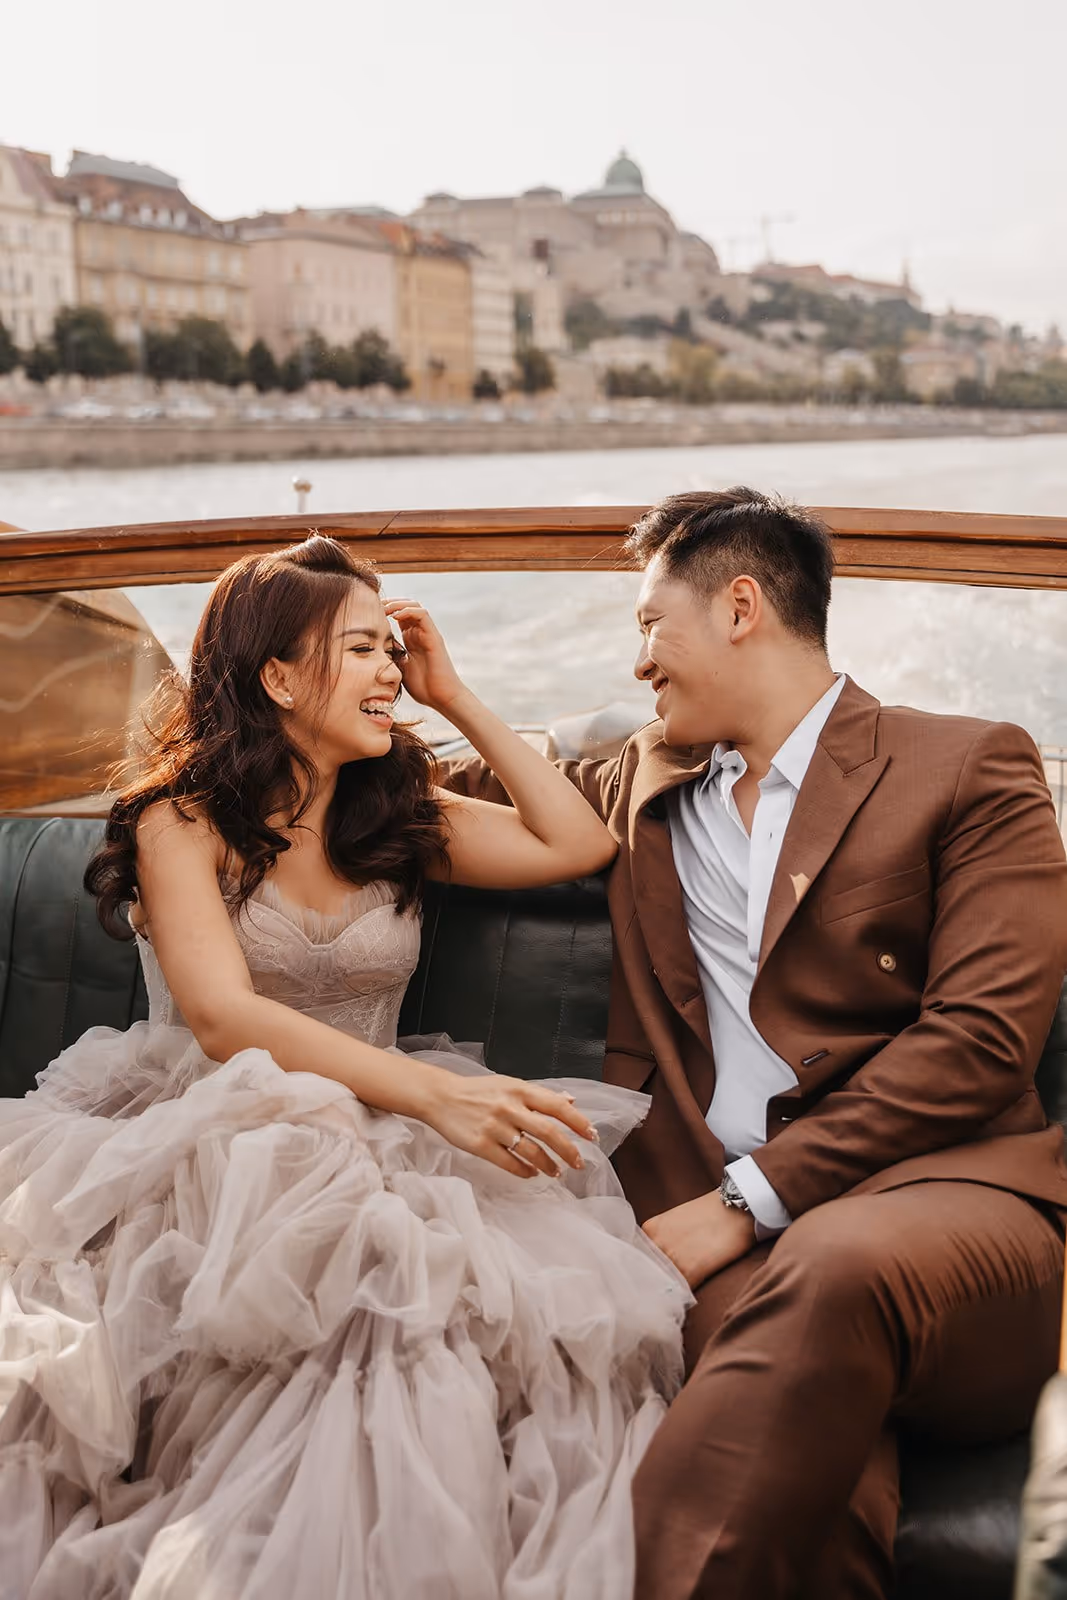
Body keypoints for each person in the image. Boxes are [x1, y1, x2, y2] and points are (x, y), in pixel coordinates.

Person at [0, 535, 692, 1600]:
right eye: (361, 649)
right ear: (276, 675)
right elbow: (225, 1017)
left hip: (382, 1139)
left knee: (413, 1331)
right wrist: (438, 1093)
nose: (388, 671)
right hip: (201, 1146)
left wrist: (454, 695)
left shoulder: (398, 820)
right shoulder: (178, 819)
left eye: (391, 650)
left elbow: (575, 844)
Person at [444, 486, 1067, 1599]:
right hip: (745, 1262)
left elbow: (979, 1041)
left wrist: (743, 1202)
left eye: (649, 624)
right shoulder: (638, 781)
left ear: (739, 608)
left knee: (827, 1269)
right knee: (811, 1476)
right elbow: (443, 790)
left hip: (954, 1219)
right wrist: (431, 694)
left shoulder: (969, 766)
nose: (638, 661)